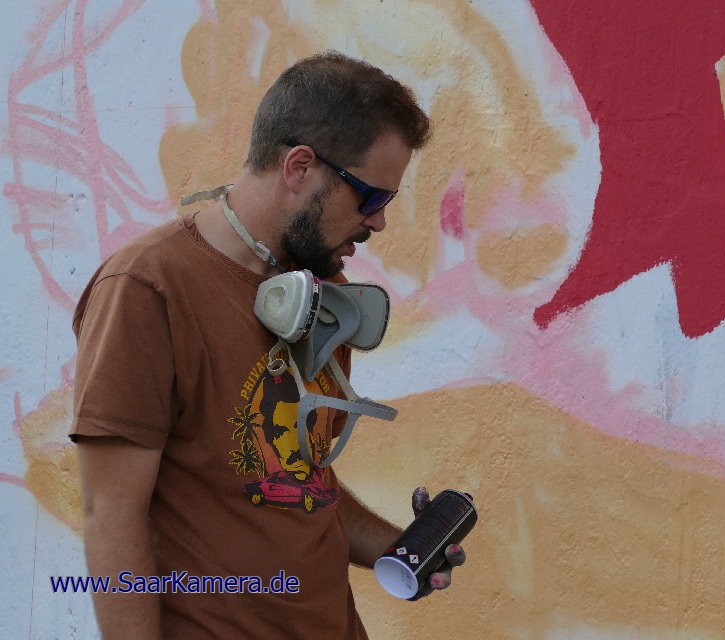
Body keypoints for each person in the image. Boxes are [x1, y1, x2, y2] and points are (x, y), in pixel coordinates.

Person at [70, 51, 464, 639]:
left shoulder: (325, 293)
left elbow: (298, 482)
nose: (379, 223)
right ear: (299, 167)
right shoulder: (147, 288)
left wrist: (402, 548)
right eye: (371, 199)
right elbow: (111, 517)